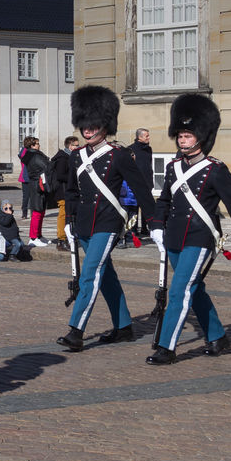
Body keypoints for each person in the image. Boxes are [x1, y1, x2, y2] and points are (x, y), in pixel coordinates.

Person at [147, 95, 231, 365]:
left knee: (178, 291)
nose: (182, 140)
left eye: (187, 135)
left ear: (200, 137)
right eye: (180, 135)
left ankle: (166, 347)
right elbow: (164, 200)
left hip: (200, 238)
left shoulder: (216, 170)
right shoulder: (173, 168)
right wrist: (156, 226)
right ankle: (218, 337)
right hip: (174, 236)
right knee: (193, 289)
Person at [56, 86, 158, 353]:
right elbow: (72, 191)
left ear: (104, 125)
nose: (87, 130)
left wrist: (155, 223)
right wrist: (69, 219)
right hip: (85, 224)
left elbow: (142, 189)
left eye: (92, 125)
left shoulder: (119, 155)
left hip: (108, 222)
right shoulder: (77, 156)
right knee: (106, 275)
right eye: (84, 126)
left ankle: (76, 330)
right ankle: (124, 326)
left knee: (90, 274)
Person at [20, 137, 52, 248]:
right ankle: (33, 237)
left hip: (37, 184)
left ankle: (38, 235)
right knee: (37, 211)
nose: (39, 145)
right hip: (37, 185)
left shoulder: (32, 155)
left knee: (41, 210)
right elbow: (46, 166)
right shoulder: (34, 156)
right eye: (37, 144)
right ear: (32, 146)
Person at [50, 137, 80, 248]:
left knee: (70, 215)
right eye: (75, 145)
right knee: (63, 215)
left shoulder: (71, 157)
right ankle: (61, 239)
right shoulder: (63, 158)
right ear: (70, 146)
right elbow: (60, 175)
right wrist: (74, 177)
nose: (77, 147)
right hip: (62, 191)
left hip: (70, 191)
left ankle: (69, 236)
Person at [131, 127, 154, 237]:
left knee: (147, 207)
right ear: (139, 137)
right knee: (134, 208)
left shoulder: (148, 149)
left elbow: (148, 165)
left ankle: (145, 228)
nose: (149, 138)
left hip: (147, 183)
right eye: (146, 136)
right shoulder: (130, 149)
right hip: (136, 184)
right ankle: (133, 230)